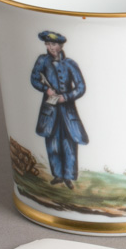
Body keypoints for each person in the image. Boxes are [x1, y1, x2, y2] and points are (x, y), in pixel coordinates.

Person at [30, 31, 88, 187]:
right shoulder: (42, 61)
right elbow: (34, 79)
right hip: (50, 110)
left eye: (54, 44)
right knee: (52, 142)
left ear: (61, 45)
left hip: (68, 111)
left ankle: (69, 177)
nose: (50, 47)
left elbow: (81, 87)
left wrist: (66, 97)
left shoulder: (70, 64)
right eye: (48, 44)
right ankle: (57, 175)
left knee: (69, 143)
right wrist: (46, 89)